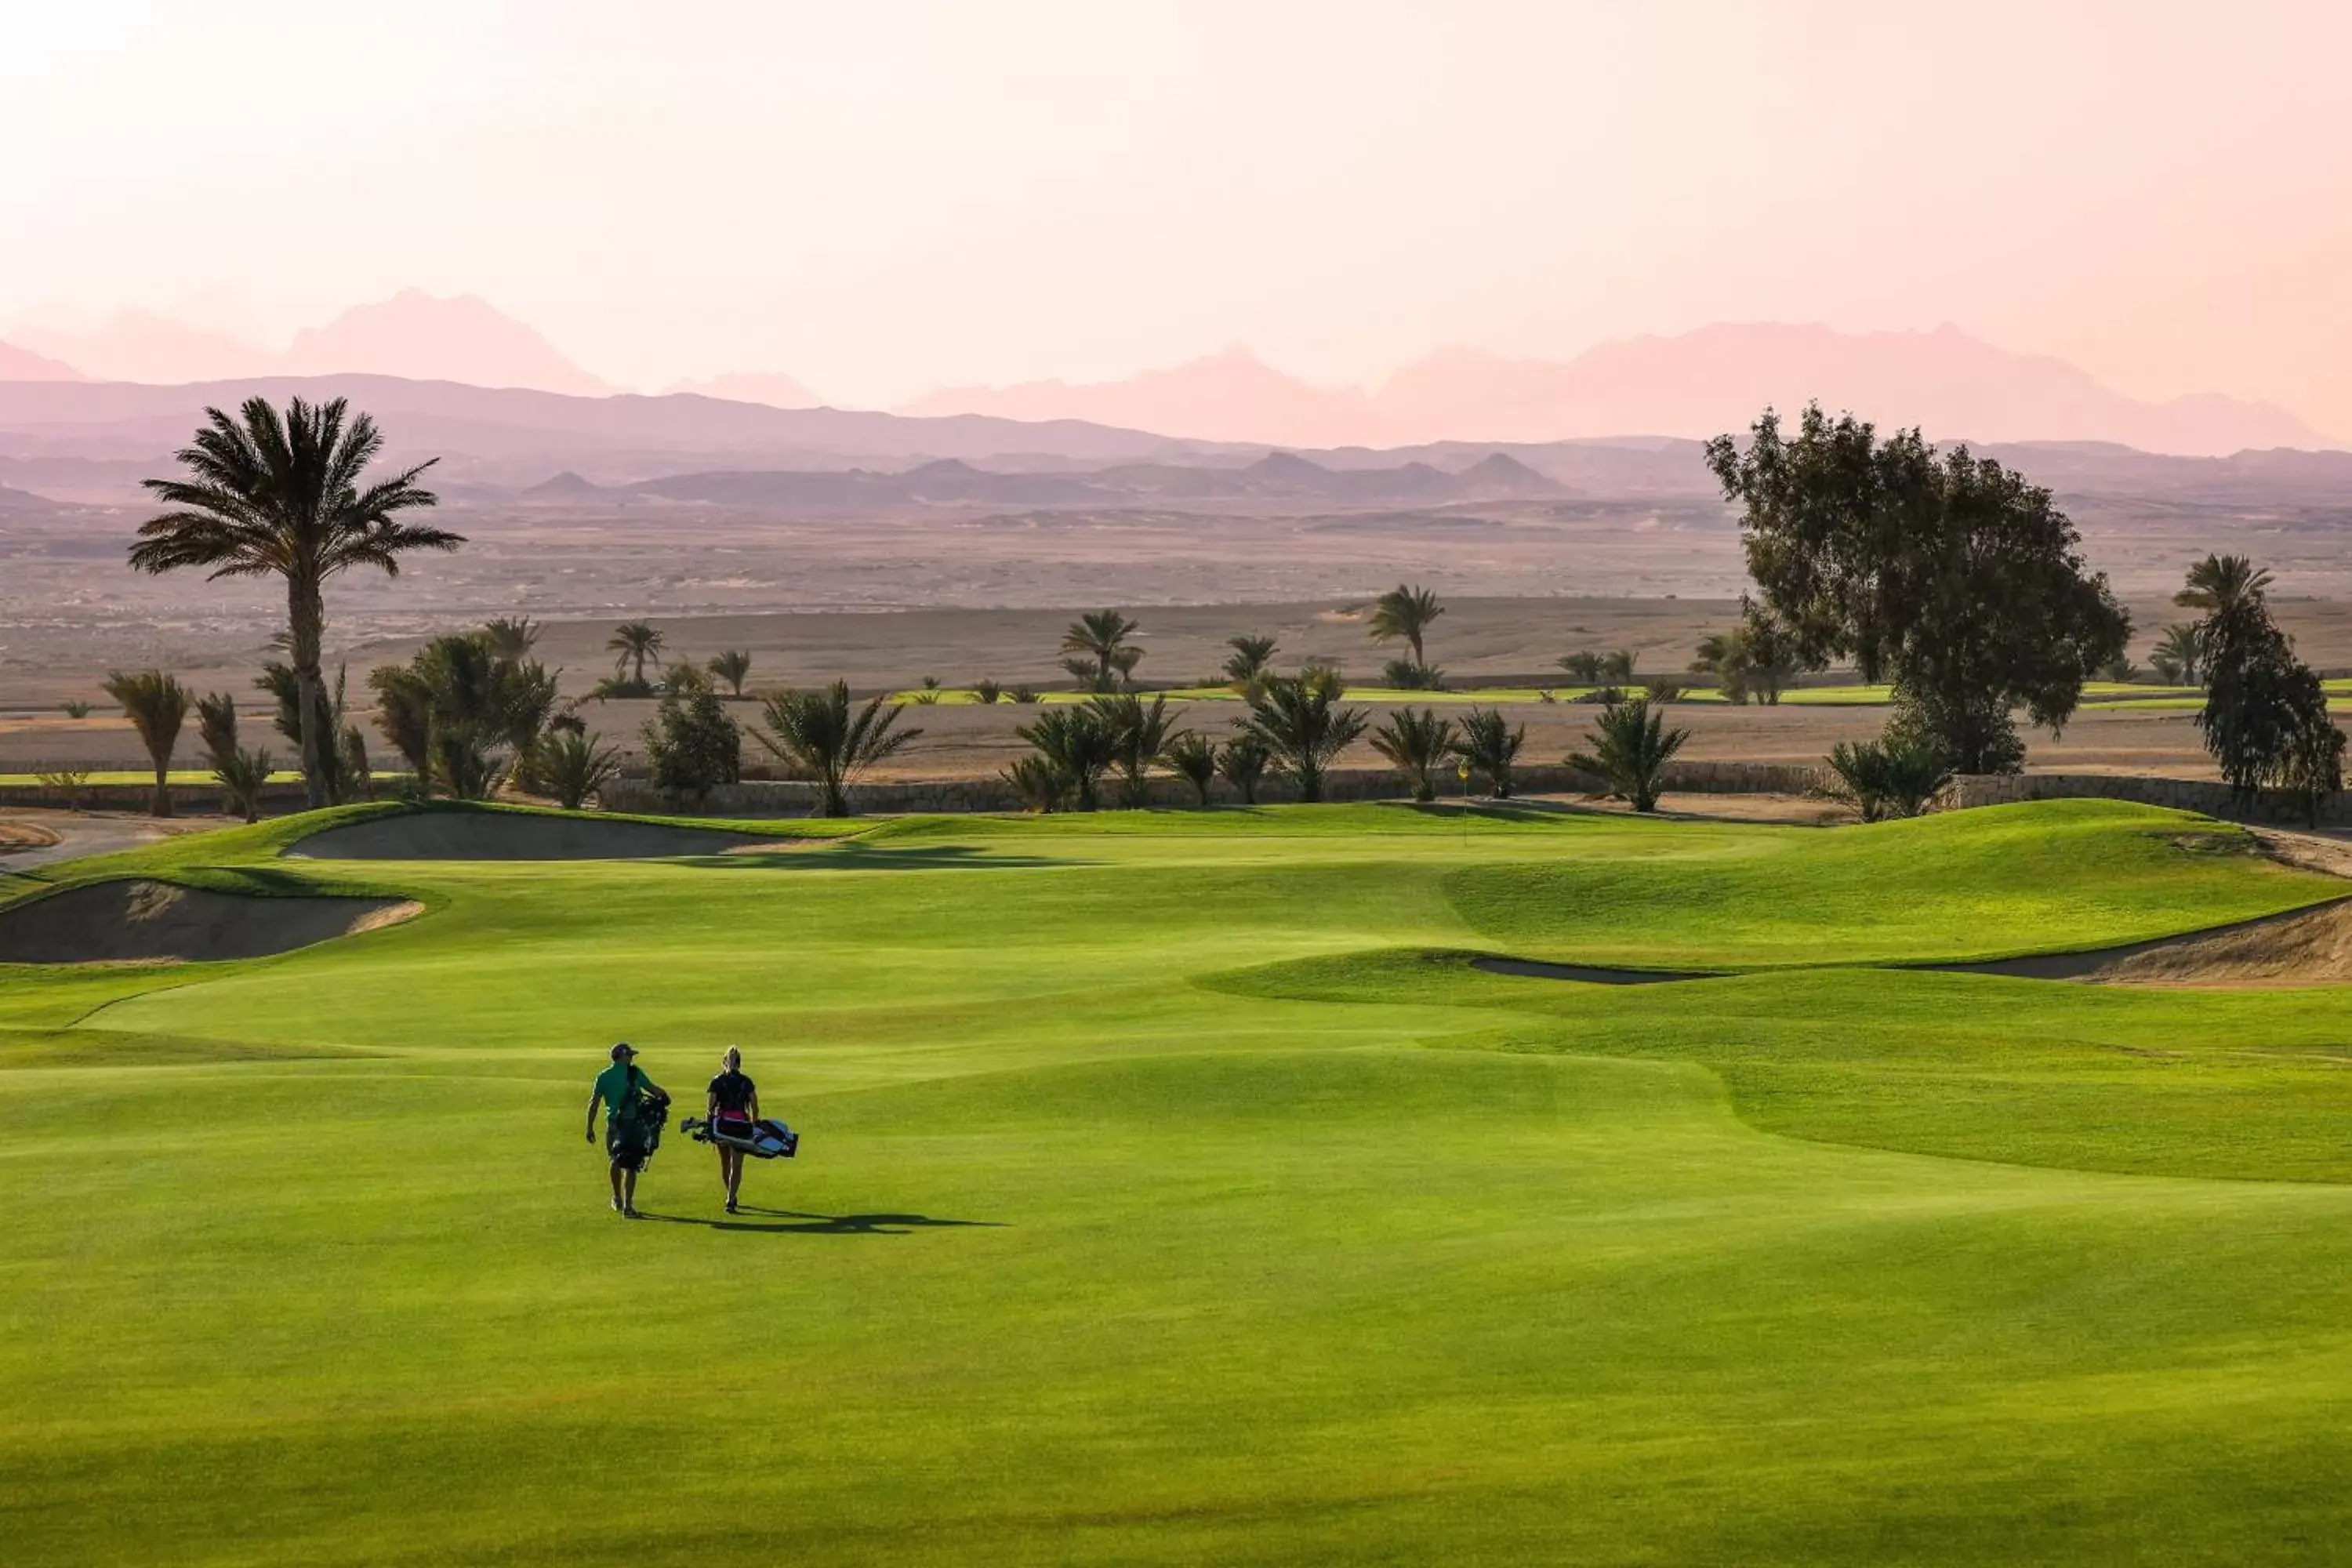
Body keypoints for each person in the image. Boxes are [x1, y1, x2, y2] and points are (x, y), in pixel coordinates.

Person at [586, 1042, 666, 1217]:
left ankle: (617, 1197)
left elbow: (594, 1104)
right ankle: (628, 1206)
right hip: (633, 1125)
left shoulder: (604, 1076)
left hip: (613, 1125)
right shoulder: (634, 1073)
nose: (631, 1059)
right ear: (623, 1057)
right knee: (631, 1165)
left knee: (615, 1159)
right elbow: (653, 1090)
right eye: (630, 1056)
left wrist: (589, 1127)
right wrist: (665, 1096)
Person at [706, 1046, 760, 1214]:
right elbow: (754, 1107)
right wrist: (753, 1124)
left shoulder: (717, 1081)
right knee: (737, 1165)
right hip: (741, 1126)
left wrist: (710, 1128)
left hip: (722, 1125)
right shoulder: (746, 1081)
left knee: (725, 1162)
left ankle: (730, 1195)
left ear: (724, 1062)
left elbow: (710, 1107)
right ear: (740, 1062)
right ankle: (731, 1198)